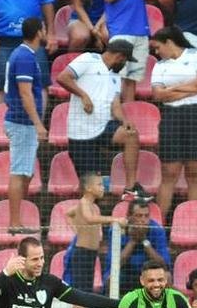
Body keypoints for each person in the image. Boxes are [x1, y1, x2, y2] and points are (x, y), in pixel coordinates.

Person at [55, 39, 144, 196]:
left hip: (103, 127)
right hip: (80, 132)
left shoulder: (115, 77)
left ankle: (131, 188)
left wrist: (124, 120)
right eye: (125, 60)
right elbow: (63, 77)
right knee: (91, 190)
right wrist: (83, 95)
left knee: (131, 135)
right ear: (120, 57)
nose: (124, 64)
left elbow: (115, 105)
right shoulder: (88, 59)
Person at [151, 26, 197, 221]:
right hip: (171, 117)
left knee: (195, 174)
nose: (156, 52)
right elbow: (159, 95)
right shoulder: (159, 65)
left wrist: (173, 90)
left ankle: (195, 223)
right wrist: (191, 89)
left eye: (158, 47)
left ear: (169, 42)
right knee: (169, 173)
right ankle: (159, 226)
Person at [62, 175, 125, 308]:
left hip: (89, 254)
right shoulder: (84, 203)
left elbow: (68, 214)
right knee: (79, 297)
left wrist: (77, 229)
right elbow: (89, 219)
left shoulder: (91, 205)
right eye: (99, 184)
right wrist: (113, 219)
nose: (103, 187)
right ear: (88, 188)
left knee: (84, 294)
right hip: (81, 254)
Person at [0, 18, 47, 233]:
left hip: (22, 122)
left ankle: (17, 219)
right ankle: (14, 223)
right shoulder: (26, 57)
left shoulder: (23, 54)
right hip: (22, 122)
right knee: (19, 171)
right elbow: (25, 93)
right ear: (39, 32)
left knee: (25, 172)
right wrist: (38, 123)